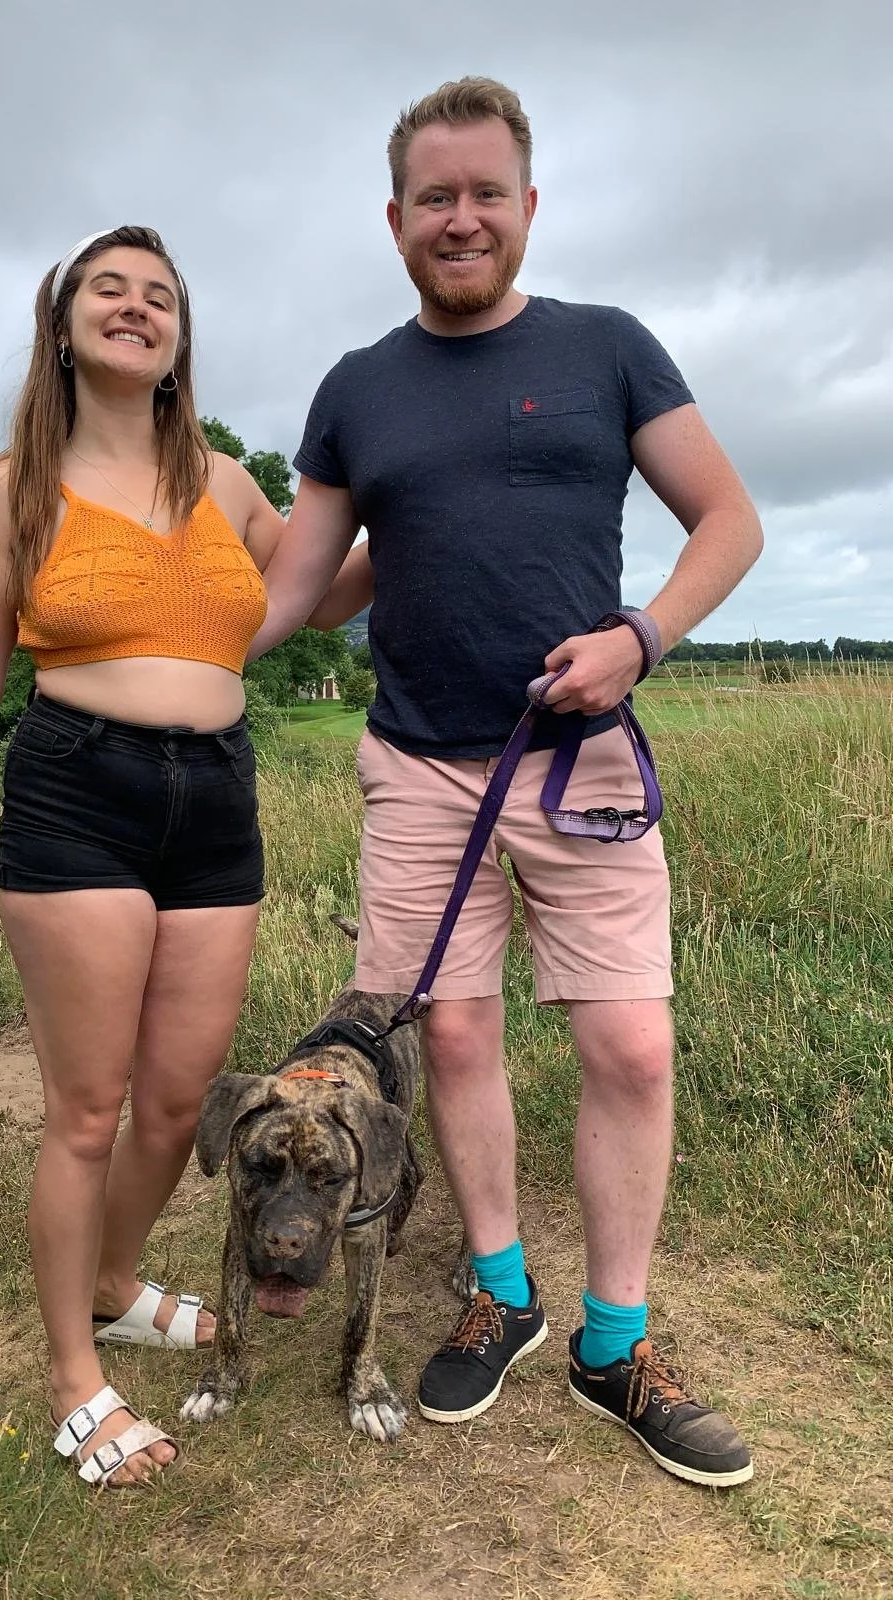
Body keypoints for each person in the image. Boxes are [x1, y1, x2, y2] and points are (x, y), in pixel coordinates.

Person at [250, 79, 764, 1488]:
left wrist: (641, 636)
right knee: (455, 1042)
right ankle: (499, 1291)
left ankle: (617, 1341)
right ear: (397, 220)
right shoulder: (357, 388)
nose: (460, 217)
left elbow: (729, 518)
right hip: (420, 768)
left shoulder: (608, 350)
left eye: (486, 193)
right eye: (435, 198)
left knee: (632, 1050)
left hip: (580, 760)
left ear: (527, 208)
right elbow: (295, 586)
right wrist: (132, 648)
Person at [0, 224, 349, 1490]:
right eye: (107, 290)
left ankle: (120, 1282)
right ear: (61, 325)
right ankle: (78, 1372)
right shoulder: (11, 488)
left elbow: (326, 592)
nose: (136, 307)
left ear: (179, 340)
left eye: (159, 296)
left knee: (181, 1103)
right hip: (79, 793)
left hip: (218, 802)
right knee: (86, 1107)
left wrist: (426, 487)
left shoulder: (227, 483)